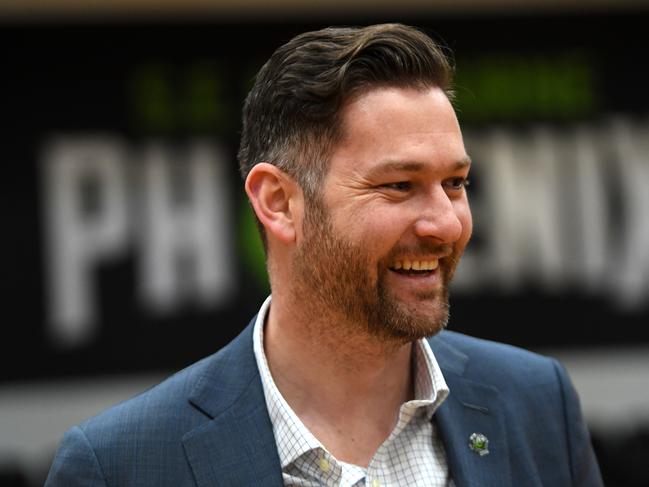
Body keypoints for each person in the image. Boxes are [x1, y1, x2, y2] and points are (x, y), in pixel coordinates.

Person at [45, 24, 603, 486]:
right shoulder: (117, 467)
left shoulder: (536, 404)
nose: (446, 223)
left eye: (455, 183)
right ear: (279, 202)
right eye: (399, 185)